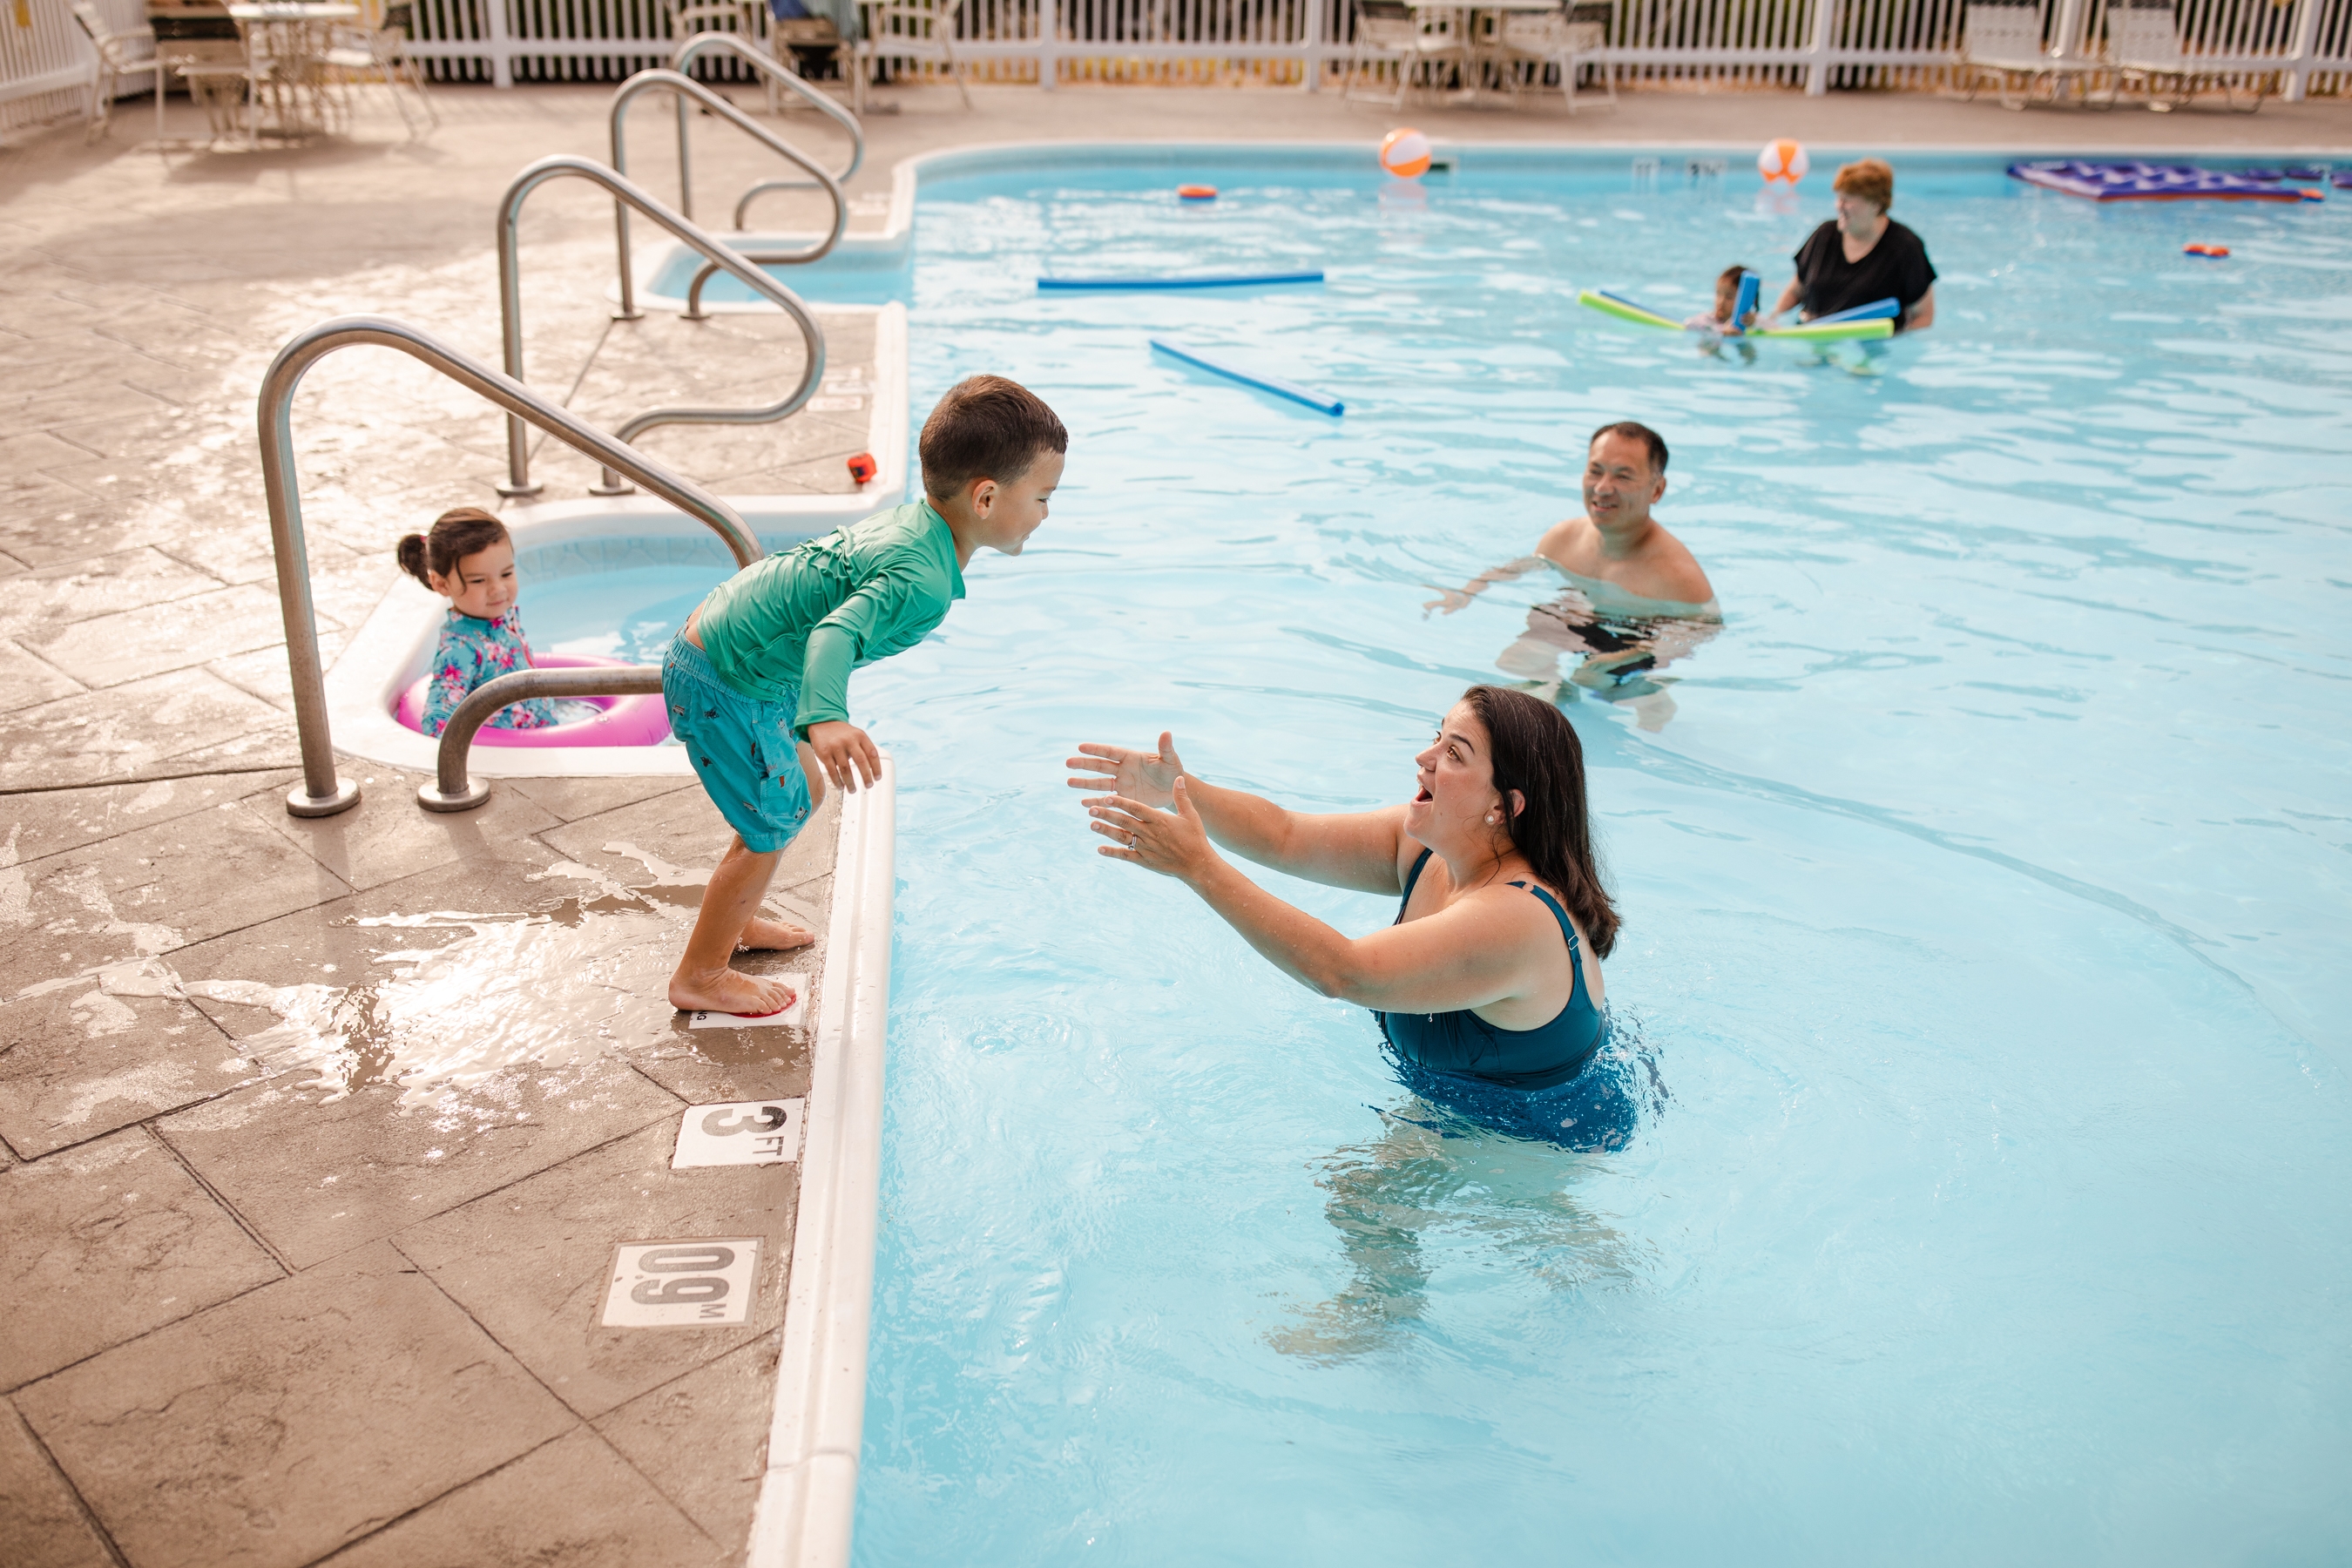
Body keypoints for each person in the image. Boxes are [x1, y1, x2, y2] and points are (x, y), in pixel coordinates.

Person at [666, 375, 1066, 1015]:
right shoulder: (924, 579)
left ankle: (735, 919)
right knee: (771, 822)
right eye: (1044, 497)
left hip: (745, 659)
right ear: (986, 498)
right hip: (727, 676)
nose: (1047, 513)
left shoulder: (922, 529)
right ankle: (701, 973)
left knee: (800, 795)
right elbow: (835, 631)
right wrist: (825, 717)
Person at [1068, 686, 1617, 1095]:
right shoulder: (1430, 848)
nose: (1424, 759)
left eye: (1455, 754)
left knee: (1357, 1205)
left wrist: (1198, 868)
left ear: (1504, 806)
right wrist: (1182, 791)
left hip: (1540, 1140)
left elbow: (1343, 973)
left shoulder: (1517, 918)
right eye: (1436, 737)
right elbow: (1284, 836)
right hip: (1461, 1106)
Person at [1424, 422, 1718, 728]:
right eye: (1595, 470)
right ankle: (1547, 710)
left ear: (1656, 490)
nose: (1603, 488)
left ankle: (1647, 697)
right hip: (1579, 611)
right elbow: (1524, 566)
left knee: (1595, 679)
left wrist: (1638, 652)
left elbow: (1704, 629)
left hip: (1639, 633)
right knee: (1516, 661)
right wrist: (1469, 590)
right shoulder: (1564, 538)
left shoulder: (1678, 575)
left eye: (1623, 475)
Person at [397, 508, 572, 739]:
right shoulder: (461, 648)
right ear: (441, 584)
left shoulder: (501, 617)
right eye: (479, 580)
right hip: (512, 755)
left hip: (540, 733)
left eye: (507, 574)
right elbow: (438, 721)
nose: (498, 589)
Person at [1762, 157, 1937, 334]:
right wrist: (1773, 319)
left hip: (1870, 347)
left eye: (1848, 200)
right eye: (1839, 198)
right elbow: (1796, 290)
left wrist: (1894, 347)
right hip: (1812, 335)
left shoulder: (1905, 247)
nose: (1839, 206)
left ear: (1875, 205)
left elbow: (1923, 316)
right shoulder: (1824, 235)